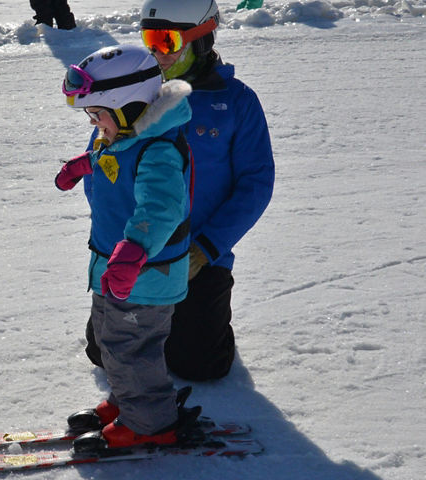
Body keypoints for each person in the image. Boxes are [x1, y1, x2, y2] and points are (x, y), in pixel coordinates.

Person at [83, 0, 275, 381]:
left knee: (200, 365)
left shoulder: (236, 102)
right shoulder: (134, 98)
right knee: (102, 353)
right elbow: (102, 167)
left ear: (200, 38)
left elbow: (255, 183)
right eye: (148, 38)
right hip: (137, 254)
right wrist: (121, 245)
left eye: (166, 41)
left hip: (198, 256)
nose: (154, 52)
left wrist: (206, 250)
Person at [56, 44, 199, 450]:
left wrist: (135, 250)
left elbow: (162, 206)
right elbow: (111, 157)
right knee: (111, 341)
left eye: (97, 114)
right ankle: (129, 401)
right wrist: (84, 164)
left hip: (144, 274)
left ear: (129, 106)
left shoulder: (158, 149)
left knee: (130, 348)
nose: (94, 123)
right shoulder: (124, 134)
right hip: (114, 269)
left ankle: (150, 422)